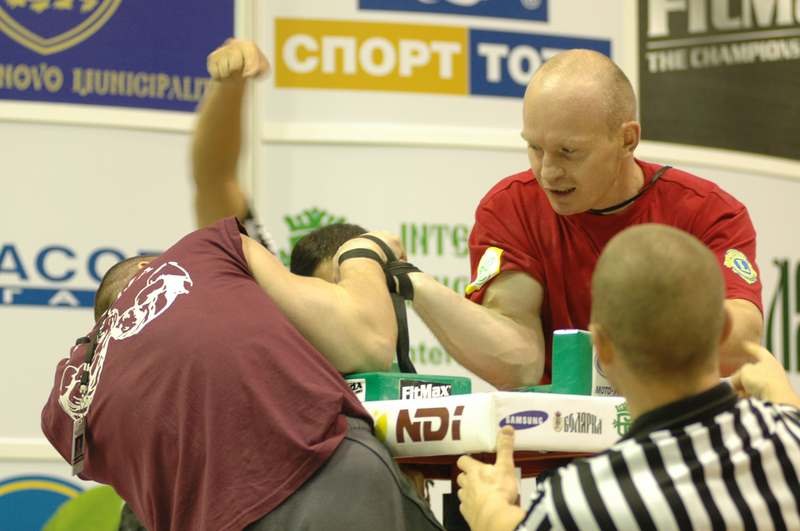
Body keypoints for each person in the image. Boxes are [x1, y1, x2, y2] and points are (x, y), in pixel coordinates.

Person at [41, 218, 444, 531]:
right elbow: (368, 341)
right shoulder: (201, 251)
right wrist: (364, 251)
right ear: (151, 267)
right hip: (321, 479)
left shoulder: (67, 392)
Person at [405, 49, 764, 388]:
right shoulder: (509, 206)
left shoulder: (708, 212)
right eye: (534, 148)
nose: (547, 172)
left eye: (568, 152)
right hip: (547, 448)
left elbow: (743, 341)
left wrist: (633, 333)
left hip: (668, 439)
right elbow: (521, 363)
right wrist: (414, 284)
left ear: (627, 139)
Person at [455, 224, 800, 531]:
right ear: (724, 329)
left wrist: (491, 515)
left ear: (601, 347)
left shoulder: (578, 500)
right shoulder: (790, 437)